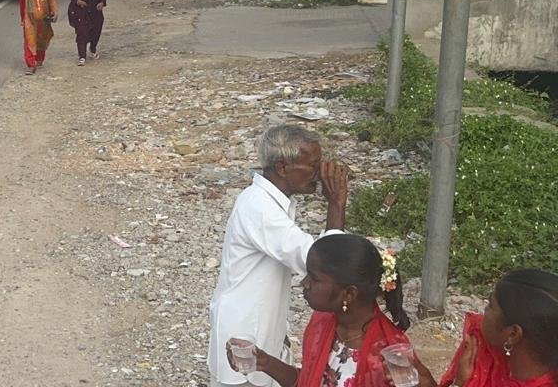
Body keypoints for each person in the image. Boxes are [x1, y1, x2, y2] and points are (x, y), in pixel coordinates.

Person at [208, 124, 349, 387]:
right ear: (283, 167)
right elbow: (322, 260)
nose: (319, 173)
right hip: (245, 336)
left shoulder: (267, 201)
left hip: (259, 326)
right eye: (313, 165)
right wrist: (336, 204)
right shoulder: (260, 208)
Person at [235, 234, 416, 387]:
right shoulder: (323, 322)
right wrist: (265, 363)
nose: (304, 283)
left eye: (314, 278)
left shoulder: (389, 351)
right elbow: (309, 381)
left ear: (349, 294)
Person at [430, 270, 558, 387]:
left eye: (490, 305)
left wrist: (459, 384)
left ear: (513, 334)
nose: (483, 311)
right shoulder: (481, 344)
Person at [14, 0, 58, 75]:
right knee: (29, 41)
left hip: (44, 20)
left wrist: (55, 13)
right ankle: (31, 64)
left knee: (42, 41)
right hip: (29, 20)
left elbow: (52, 1)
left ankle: (39, 60)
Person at [68, 0, 106, 66]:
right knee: (82, 34)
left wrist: (101, 3)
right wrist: (78, 2)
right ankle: (82, 56)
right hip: (81, 14)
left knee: (95, 34)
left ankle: (92, 49)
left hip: (95, 14)